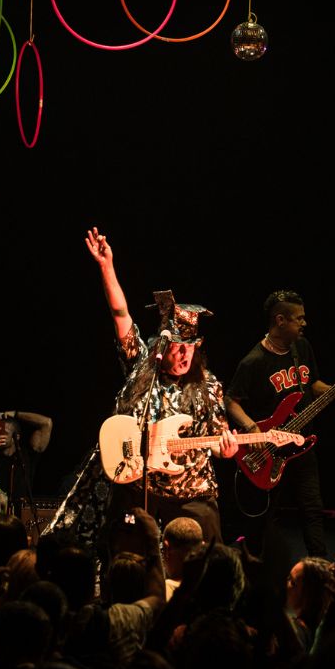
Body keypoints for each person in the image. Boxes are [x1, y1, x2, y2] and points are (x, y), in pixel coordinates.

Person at [47, 228, 238, 561]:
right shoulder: (141, 367)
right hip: (139, 484)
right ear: (162, 345)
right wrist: (107, 267)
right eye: (176, 346)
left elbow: (218, 440)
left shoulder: (209, 386)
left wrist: (228, 449)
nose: (184, 354)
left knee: (208, 558)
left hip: (190, 492)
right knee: (125, 556)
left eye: (190, 347)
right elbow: (120, 315)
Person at [225, 289, 335, 557]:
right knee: (266, 514)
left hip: (301, 444)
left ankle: (320, 565)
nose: (304, 323)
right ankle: (256, 563)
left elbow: (311, 384)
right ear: (280, 320)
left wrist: (332, 390)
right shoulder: (253, 361)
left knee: (312, 508)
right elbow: (230, 401)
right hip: (270, 451)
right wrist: (252, 428)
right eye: (298, 318)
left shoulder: (301, 347)